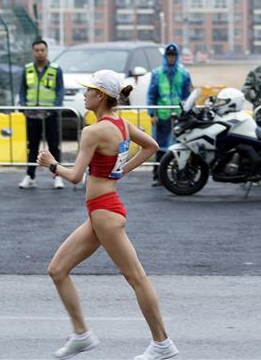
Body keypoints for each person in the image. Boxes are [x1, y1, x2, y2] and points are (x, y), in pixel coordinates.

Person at [38, 70, 179, 360]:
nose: (84, 95)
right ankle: (82, 335)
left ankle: (163, 344)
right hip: (101, 211)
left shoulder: (93, 131)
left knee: (136, 277)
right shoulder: (121, 124)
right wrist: (120, 170)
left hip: (105, 212)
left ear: (100, 96)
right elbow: (150, 146)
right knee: (57, 270)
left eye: (88, 90)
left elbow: (76, 177)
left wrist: (51, 165)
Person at [18, 39, 65, 189]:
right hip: (32, 114)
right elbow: (22, 91)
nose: (40, 53)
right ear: (33, 52)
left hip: (50, 114)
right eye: (37, 50)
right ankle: (30, 176)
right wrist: (24, 106)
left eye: (42, 50)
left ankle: (57, 176)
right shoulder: (27, 69)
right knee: (32, 146)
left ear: (47, 51)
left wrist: (55, 108)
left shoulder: (56, 69)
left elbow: (60, 91)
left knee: (54, 146)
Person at [146, 43, 192, 185]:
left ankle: (180, 175)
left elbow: (186, 95)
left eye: (173, 56)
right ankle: (158, 176)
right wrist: (152, 113)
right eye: (169, 56)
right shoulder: (157, 73)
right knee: (160, 146)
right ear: (165, 57)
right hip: (162, 115)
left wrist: (188, 112)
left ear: (177, 57)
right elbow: (151, 95)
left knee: (180, 145)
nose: (171, 58)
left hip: (178, 116)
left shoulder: (184, 74)